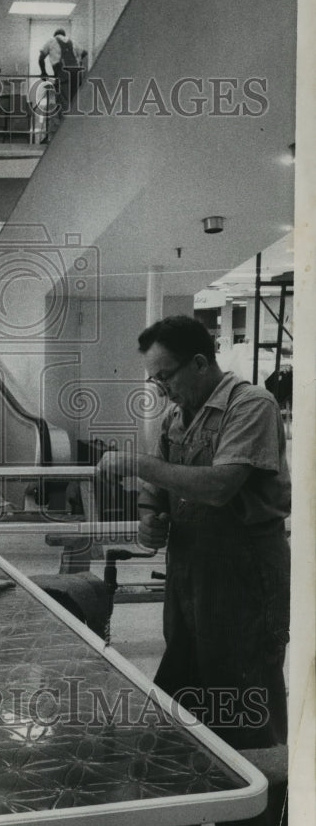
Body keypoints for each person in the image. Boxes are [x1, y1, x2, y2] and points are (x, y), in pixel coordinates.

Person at [96, 316, 290, 750]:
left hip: (244, 578)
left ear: (200, 363)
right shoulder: (176, 418)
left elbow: (220, 486)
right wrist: (149, 517)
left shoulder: (251, 405)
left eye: (165, 376)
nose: (162, 389)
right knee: (186, 692)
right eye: (155, 380)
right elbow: (157, 489)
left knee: (246, 696)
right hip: (189, 575)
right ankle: (194, 797)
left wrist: (138, 463)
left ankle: (257, 811)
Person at [38, 28, 88, 114]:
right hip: (76, 74)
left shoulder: (51, 40)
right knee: (74, 102)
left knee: (64, 102)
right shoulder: (72, 41)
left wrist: (43, 72)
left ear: (55, 35)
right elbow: (84, 53)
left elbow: (41, 58)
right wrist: (78, 62)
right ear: (64, 35)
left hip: (62, 73)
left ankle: (65, 124)